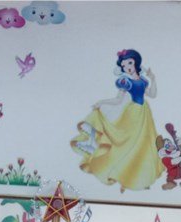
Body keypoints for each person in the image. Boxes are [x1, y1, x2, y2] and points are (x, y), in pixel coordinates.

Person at [70, 48, 165, 192]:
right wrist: (101, 102)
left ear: (136, 62)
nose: (128, 67)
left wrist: (153, 78)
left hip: (144, 114)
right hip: (132, 114)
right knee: (127, 144)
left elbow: (152, 94)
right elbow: (117, 100)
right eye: (124, 65)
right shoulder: (125, 81)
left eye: (130, 63)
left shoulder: (143, 81)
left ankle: (138, 178)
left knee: (144, 145)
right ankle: (120, 174)